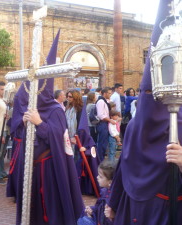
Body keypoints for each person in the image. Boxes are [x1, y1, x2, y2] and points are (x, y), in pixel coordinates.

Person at [106, 1, 182, 223]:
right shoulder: (136, 126)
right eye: (145, 91)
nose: (150, 96)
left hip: (167, 212)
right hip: (132, 209)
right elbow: (123, 167)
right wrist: (113, 202)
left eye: (153, 91)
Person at [14, 30, 84, 225]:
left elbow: (57, 137)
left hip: (48, 167)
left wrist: (39, 123)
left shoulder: (55, 110)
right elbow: (18, 133)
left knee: (47, 207)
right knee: (30, 205)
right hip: (30, 165)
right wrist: (24, 122)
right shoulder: (30, 108)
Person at [78, 160, 116, 225]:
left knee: (83, 221)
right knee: (82, 219)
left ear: (110, 182)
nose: (97, 177)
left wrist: (112, 217)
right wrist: (92, 210)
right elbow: (99, 208)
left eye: (101, 177)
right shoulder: (104, 192)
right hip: (99, 221)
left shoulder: (113, 198)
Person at [96, 87, 114, 161]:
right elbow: (101, 115)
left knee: (104, 143)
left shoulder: (105, 101)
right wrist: (110, 120)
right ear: (104, 93)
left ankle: (101, 159)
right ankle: (100, 160)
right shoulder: (101, 101)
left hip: (105, 123)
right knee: (102, 143)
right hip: (102, 124)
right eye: (109, 93)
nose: (110, 95)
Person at [65, 89, 83, 161]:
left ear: (75, 98)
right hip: (67, 135)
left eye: (70, 97)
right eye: (67, 96)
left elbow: (80, 123)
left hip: (75, 136)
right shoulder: (67, 107)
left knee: (75, 155)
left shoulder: (79, 109)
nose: (68, 98)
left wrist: (76, 136)